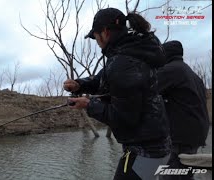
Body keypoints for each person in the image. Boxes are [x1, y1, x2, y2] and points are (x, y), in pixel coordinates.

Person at [63, 8, 171, 180]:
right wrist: (79, 85)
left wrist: (89, 105)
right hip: (155, 142)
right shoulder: (130, 52)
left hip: (143, 150)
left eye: (95, 36)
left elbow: (124, 119)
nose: (96, 41)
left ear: (105, 32)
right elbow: (103, 80)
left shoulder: (124, 63)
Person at [157, 40, 210, 180]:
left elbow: (147, 89)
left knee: (170, 174)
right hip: (196, 135)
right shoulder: (191, 74)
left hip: (180, 137)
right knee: (185, 173)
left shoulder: (171, 70)